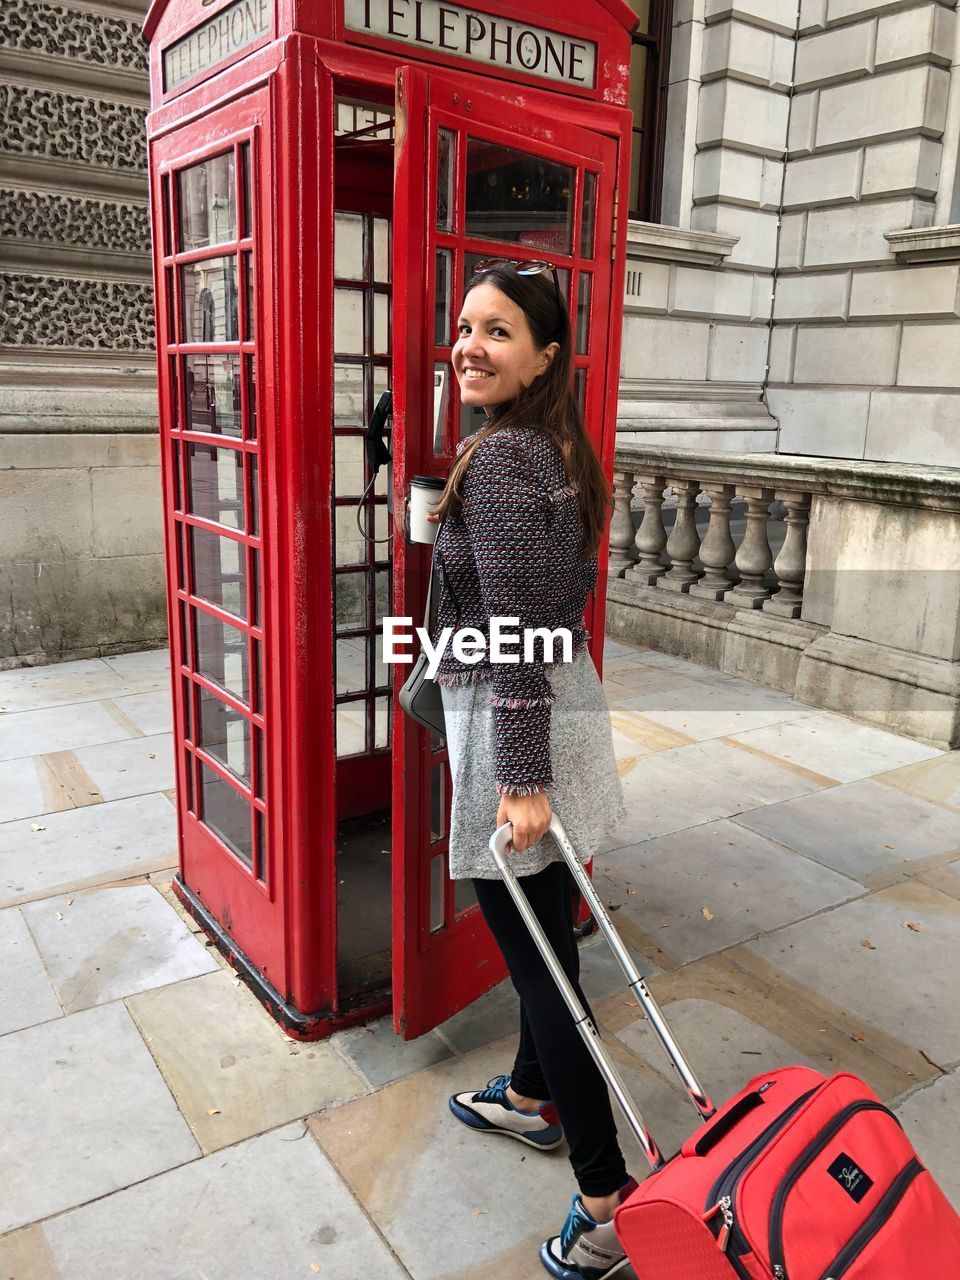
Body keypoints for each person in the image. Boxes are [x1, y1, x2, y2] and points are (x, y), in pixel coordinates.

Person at [425, 259, 634, 1280]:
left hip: (519, 725)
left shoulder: (501, 462)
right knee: (549, 936)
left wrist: (518, 777)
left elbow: (509, 634)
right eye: (464, 325)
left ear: (545, 355)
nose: (469, 344)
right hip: (561, 701)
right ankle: (529, 1094)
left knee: (539, 962)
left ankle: (605, 1201)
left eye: (498, 331)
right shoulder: (560, 447)